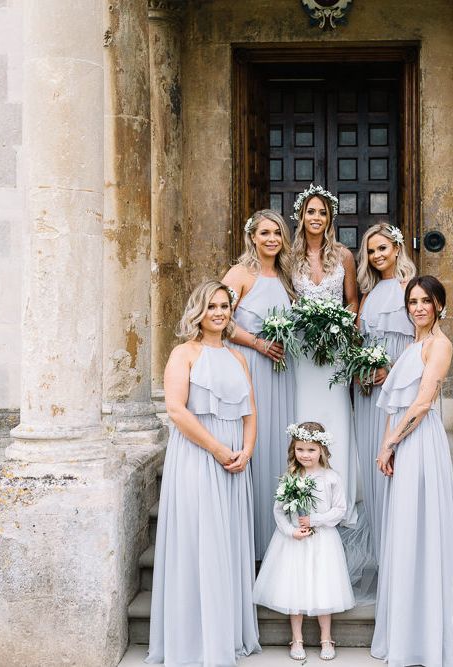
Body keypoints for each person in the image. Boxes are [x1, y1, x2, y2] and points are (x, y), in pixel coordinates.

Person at [372, 275, 453, 666]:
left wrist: (393, 442)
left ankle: (429, 630)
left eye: (426, 301)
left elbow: (421, 404)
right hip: (401, 443)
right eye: (413, 301)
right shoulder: (411, 345)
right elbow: (395, 404)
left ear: (439, 304)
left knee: (422, 528)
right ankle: (407, 625)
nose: (418, 307)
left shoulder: (440, 345)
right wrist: (385, 446)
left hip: (420, 444)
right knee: (404, 531)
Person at [146, 280, 261, 667]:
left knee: (227, 541)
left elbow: (250, 412)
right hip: (198, 455)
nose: (219, 312)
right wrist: (216, 448)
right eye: (212, 305)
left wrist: (246, 450)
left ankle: (225, 633)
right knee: (199, 540)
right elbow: (177, 411)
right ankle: (196, 638)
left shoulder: (238, 358)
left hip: (235, 461)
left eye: (225, 306)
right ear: (199, 310)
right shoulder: (184, 353)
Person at [222, 209, 297, 560]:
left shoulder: (284, 277)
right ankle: (248, 541)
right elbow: (220, 320)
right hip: (249, 365)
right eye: (265, 233)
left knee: (275, 442)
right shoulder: (240, 274)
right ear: (252, 236)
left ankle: (275, 538)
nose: (271, 239)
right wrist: (258, 344)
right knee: (254, 442)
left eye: (277, 234)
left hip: (281, 371)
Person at [253, 421, 355, 662]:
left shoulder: (331, 477)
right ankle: (296, 638)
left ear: (322, 450)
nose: (305, 455)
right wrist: (291, 531)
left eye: (311, 450)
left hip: (323, 541)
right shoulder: (291, 476)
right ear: (293, 450)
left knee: (324, 587)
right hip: (294, 542)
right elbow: (279, 510)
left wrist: (315, 520)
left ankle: (326, 638)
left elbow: (340, 509)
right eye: (300, 449)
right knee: (294, 587)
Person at [290, 184, 359, 527]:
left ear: (329, 219)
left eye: (322, 212)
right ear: (301, 217)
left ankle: (337, 499)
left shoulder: (344, 256)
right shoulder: (290, 258)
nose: (316, 217)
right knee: (304, 411)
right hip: (302, 351)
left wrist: (343, 326)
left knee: (335, 415)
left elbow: (353, 300)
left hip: (334, 353)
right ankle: (302, 494)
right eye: (310, 212)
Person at [353, 222, 416, 560]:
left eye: (382, 248)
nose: (377, 255)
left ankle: (400, 550)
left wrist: (389, 371)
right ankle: (380, 549)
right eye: (371, 251)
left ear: (397, 249)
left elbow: (421, 345)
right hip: (369, 394)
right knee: (372, 464)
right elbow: (360, 343)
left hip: (399, 391)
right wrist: (361, 372)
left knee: (395, 463)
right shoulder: (368, 295)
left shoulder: (410, 288)